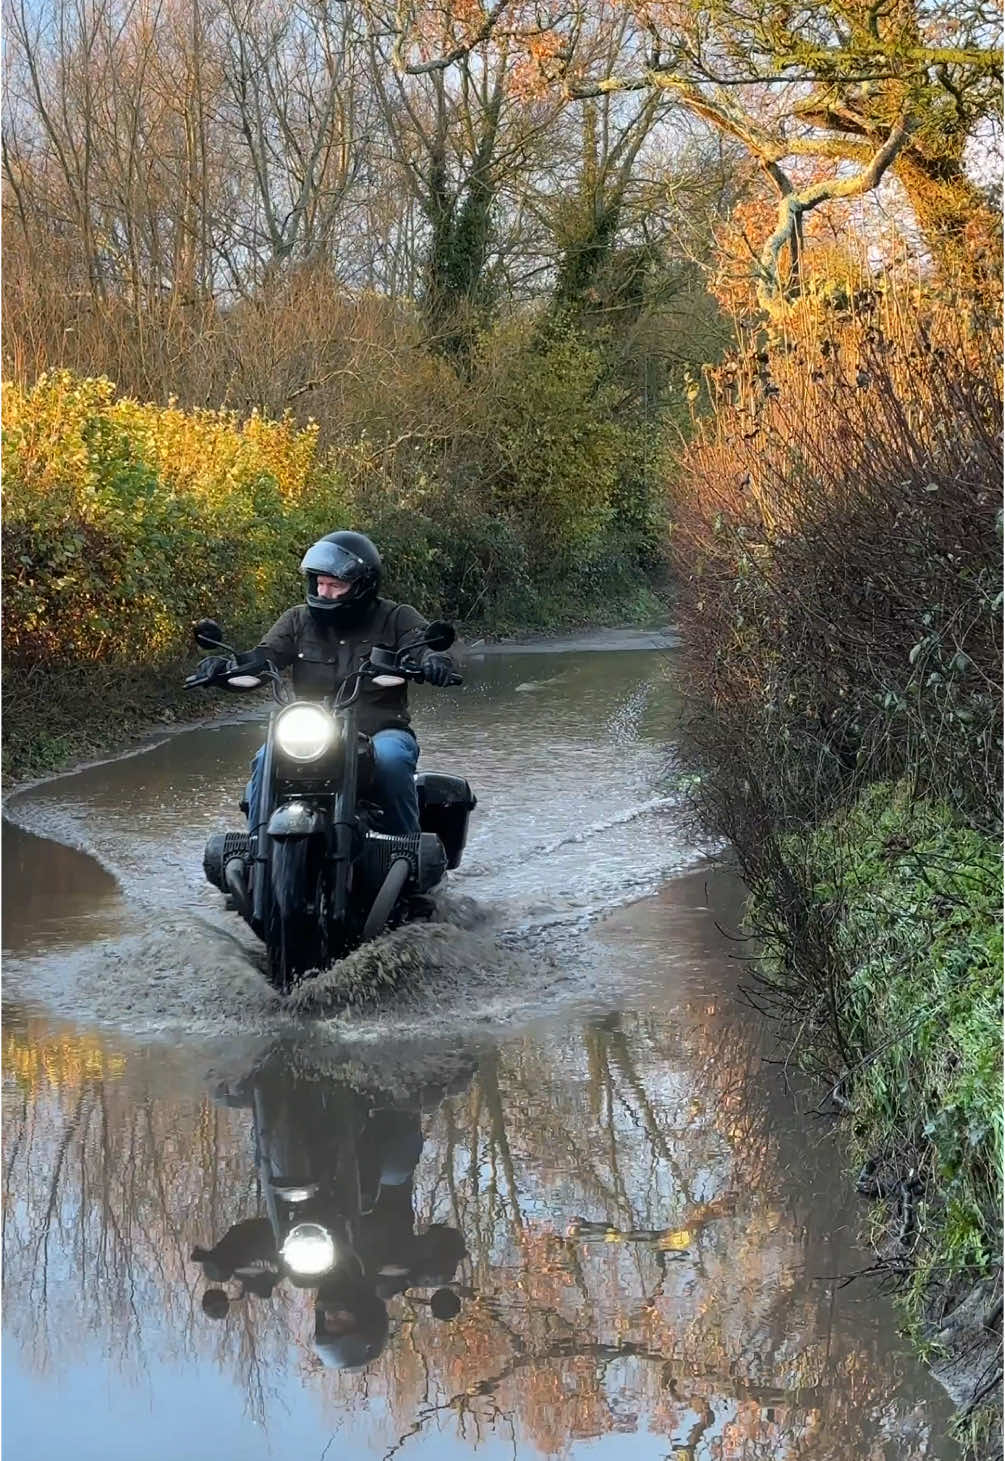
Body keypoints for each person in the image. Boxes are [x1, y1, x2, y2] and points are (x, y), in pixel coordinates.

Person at [199, 531, 457, 836]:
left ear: (362, 585)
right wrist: (225, 668)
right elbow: (264, 657)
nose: (324, 592)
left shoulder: (396, 617)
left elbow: (421, 644)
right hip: (307, 733)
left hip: (380, 731)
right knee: (265, 758)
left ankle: (406, 846)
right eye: (320, 583)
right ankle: (257, 844)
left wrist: (434, 661)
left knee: (392, 761)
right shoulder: (297, 620)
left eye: (335, 585)